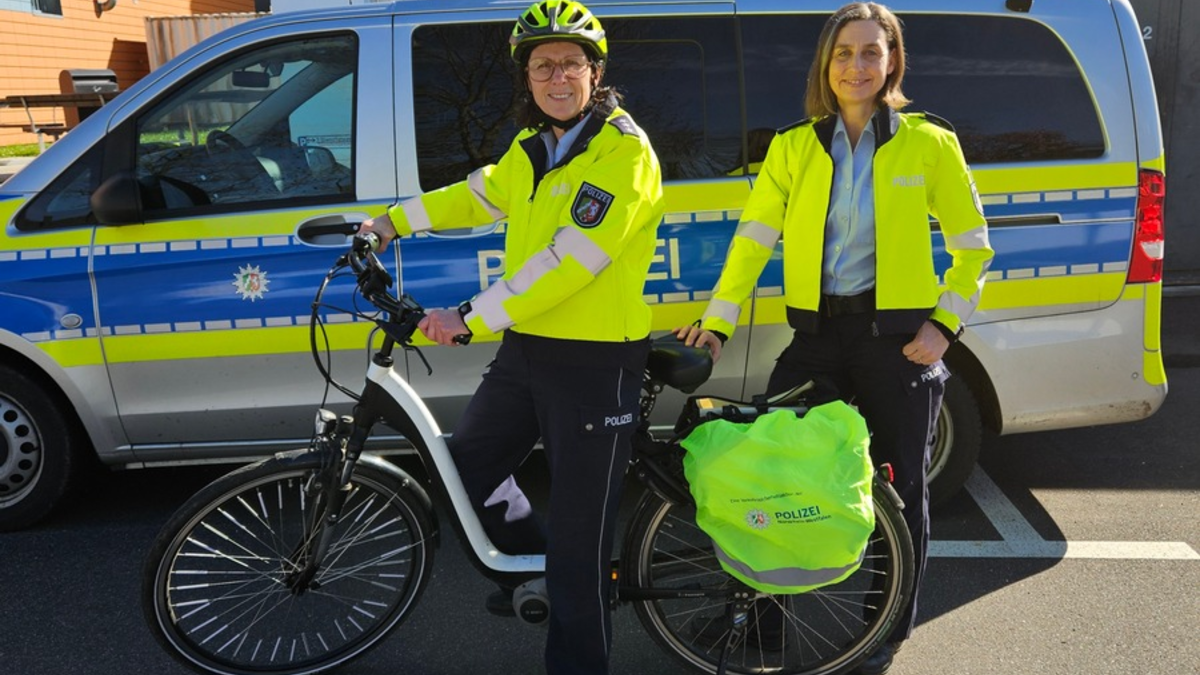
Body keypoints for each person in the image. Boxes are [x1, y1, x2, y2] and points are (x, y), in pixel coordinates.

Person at [676, 3, 993, 673]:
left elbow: (974, 248)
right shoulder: (795, 146)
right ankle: (761, 626)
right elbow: (753, 241)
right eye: (845, 53)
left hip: (896, 342)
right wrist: (718, 323)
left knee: (901, 488)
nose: (857, 65)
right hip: (817, 339)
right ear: (826, 63)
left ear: (892, 62)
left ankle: (888, 627)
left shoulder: (928, 142)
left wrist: (943, 327)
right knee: (775, 477)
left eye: (871, 52)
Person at [360, 2, 663, 673]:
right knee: (466, 467)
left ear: (595, 71)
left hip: (596, 362)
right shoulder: (533, 149)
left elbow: (570, 258)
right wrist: (388, 223)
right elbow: (474, 195)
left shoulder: (623, 152)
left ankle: (575, 644)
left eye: (571, 63)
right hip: (530, 350)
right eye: (542, 65)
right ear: (526, 78)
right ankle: (539, 571)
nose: (558, 76)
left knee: (581, 542)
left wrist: (469, 315)